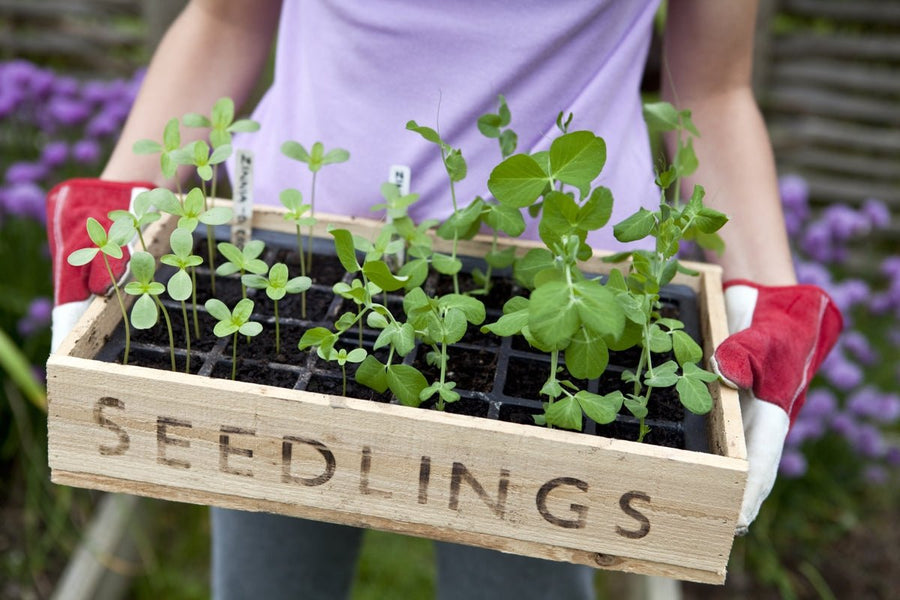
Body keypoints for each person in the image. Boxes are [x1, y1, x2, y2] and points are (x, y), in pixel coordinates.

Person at [47, 1, 841, 598]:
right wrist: (118, 203)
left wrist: (771, 296)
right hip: (285, 272)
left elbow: (713, 87)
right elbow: (225, 16)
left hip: (566, 304)